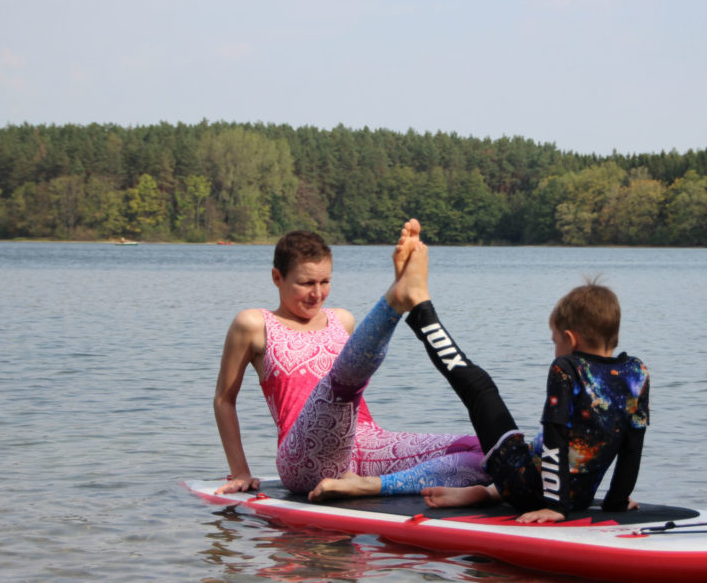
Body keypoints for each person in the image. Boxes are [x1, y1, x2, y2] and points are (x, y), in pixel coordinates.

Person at [319, 229, 650, 523]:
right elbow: (632, 446)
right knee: (507, 426)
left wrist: (556, 507)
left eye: (555, 341)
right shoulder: (636, 374)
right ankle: (487, 492)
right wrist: (617, 501)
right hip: (574, 494)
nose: (555, 349)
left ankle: (419, 304)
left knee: (477, 387)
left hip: (533, 490)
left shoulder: (567, 369)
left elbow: (555, 439)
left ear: (571, 339)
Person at [213, 220, 488, 496]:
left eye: (325, 282)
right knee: (338, 388)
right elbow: (224, 399)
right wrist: (240, 472)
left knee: (486, 452)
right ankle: (396, 299)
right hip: (303, 458)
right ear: (277, 278)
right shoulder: (254, 324)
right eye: (306, 283)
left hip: (366, 447)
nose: (317, 293)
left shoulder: (341, 320)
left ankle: (374, 487)